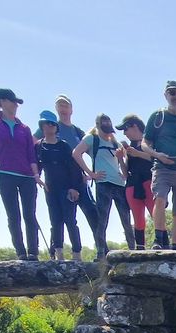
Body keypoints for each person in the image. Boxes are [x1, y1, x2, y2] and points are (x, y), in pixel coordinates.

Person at [0, 88, 44, 260]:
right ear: (2, 102)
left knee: (29, 214)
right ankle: (21, 252)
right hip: (6, 174)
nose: (16, 105)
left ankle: (33, 252)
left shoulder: (24, 128)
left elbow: (30, 153)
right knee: (13, 215)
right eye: (12, 101)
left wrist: (36, 175)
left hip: (26, 176)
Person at [35, 94, 99, 239]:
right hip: (57, 183)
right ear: (56, 109)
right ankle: (56, 252)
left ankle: (103, 250)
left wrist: (92, 173)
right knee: (59, 218)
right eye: (60, 105)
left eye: (66, 105)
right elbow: (32, 147)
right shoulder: (49, 126)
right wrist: (35, 174)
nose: (63, 109)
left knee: (92, 212)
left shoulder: (77, 132)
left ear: (71, 109)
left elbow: (94, 152)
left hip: (79, 180)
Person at [143, 80, 176, 250]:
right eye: (172, 93)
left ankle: (175, 246)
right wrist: (157, 155)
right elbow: (145, 144)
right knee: (160, 199)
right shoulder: (157, 117)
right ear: (166, 95)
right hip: (162, 167)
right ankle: (158, 240)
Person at [74, 113, 132, 258]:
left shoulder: (116, 144)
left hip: (119, 183)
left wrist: (121, 159)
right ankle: (101, 253)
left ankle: (133, 250)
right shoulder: (91, 139)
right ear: (98, 125)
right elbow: (76, 153)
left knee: (126, 219)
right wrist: (90, 174)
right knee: (102, 220)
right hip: (103, 183)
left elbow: (125, 171)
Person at [35, 111, 85, 260]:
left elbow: (74, 168)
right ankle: (58, 254)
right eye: (46, 124)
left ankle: (77, 253)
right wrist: (38, 179)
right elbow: (36, 167)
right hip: (50, 188)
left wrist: (74, 187)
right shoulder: (39, 146)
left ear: (56, 127)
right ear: (42, 127)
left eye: (52, 124)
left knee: (70, 220)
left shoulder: (63, 146)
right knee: (55, 221)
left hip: (67, 188)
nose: (49, 127)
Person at [118, 115, 155, 250]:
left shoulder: (149, 141)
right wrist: (121, 159)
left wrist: (138, 153)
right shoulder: (129, 147)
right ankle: (140, 249)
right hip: (132, 185)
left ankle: (162, 244)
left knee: (156, 214)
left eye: (125, 129)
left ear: (134, 126)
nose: (124, 133)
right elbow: (125, 173)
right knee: (138, 219)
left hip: (149, 181)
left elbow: (157, 159)